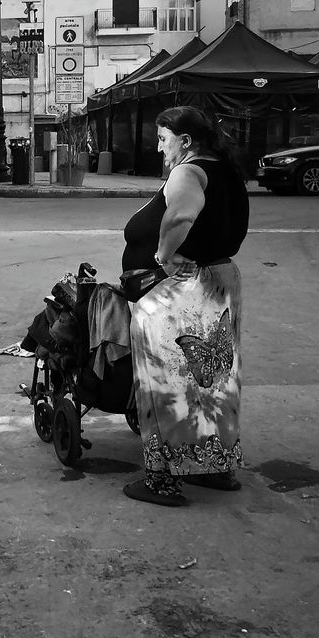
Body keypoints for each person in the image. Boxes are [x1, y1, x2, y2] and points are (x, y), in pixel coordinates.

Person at [120, 105, 249, 505]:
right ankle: (214, 468)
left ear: (185, 140)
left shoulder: (189, 171)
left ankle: (162, 480)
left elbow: (179, 219)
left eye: (163, 139)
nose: (160, 149)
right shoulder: (226, 170)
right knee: (213, 383)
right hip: (220, 282)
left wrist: (163, 257)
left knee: (166, 385)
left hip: (184, 291)